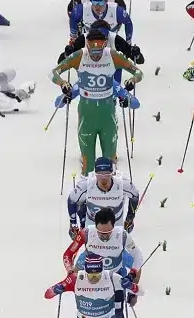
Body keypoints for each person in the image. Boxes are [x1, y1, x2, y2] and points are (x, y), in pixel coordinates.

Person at [50, 29, 143, 175]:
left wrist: (131, 82)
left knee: (110, 163)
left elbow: (138, 73)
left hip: (107, 117)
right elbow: (53, 73)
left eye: (99, 51)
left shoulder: (112, 55)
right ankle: (86, 191)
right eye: (92, 52)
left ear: (105, 44)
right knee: (88, 164)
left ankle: (112, 193)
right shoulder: (79, 56)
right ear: (87, 44)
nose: (95, 56)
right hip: (87, 117)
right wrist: (63, 84)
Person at [67, 157, 140, 236]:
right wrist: (73, 224)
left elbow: (134, 196)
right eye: (100, 174)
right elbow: (72, 200)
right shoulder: (86, 185)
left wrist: (130, 218)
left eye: (107, 173)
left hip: (116, 224)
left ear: (112, 173)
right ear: (95, 173)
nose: (103, 177)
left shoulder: (122, 184)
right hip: (92, 224)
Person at [69, 0, 133, 44]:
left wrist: (128, 41)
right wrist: (73, 37)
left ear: (106, 1)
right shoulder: (80, 9)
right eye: (94, 2)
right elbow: (73, 19)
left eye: (100, 3)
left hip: (111, 42)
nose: (97, 6)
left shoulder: (117, 11)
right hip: (88, 41)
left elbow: (128, 23)